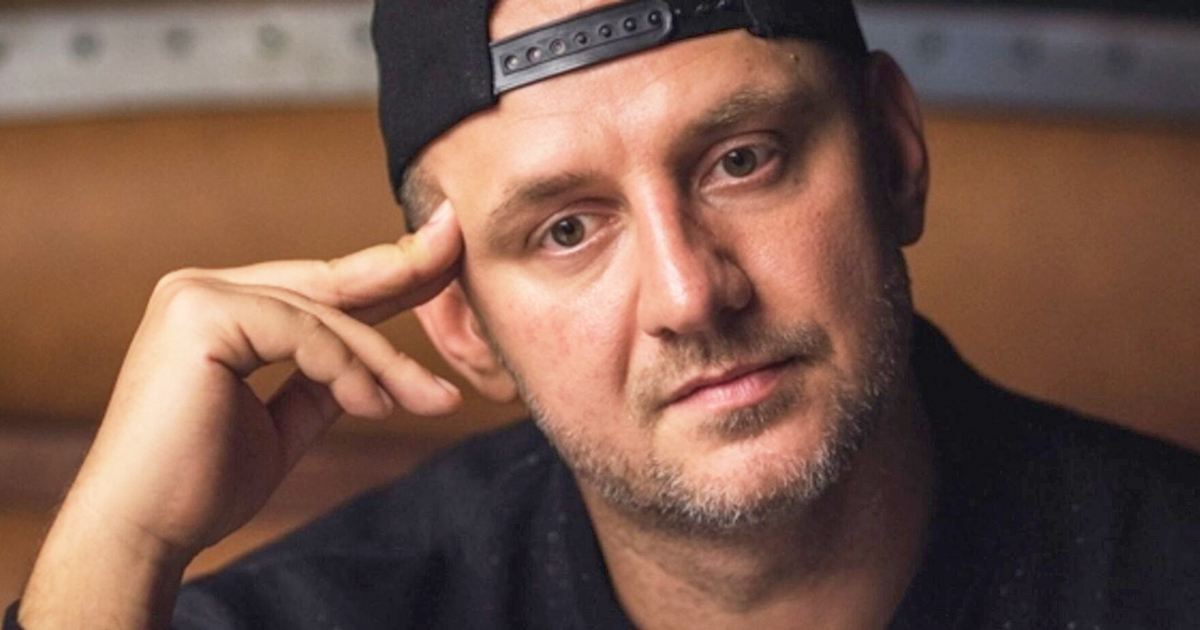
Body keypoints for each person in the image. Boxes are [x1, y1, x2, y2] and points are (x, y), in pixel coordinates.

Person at [9, 0, 1200, 628]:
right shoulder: (339, 611)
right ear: (464, 327)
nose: (691, 294)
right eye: (567, 230)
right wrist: (119, 548)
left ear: (893, 155)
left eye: (743, 160)